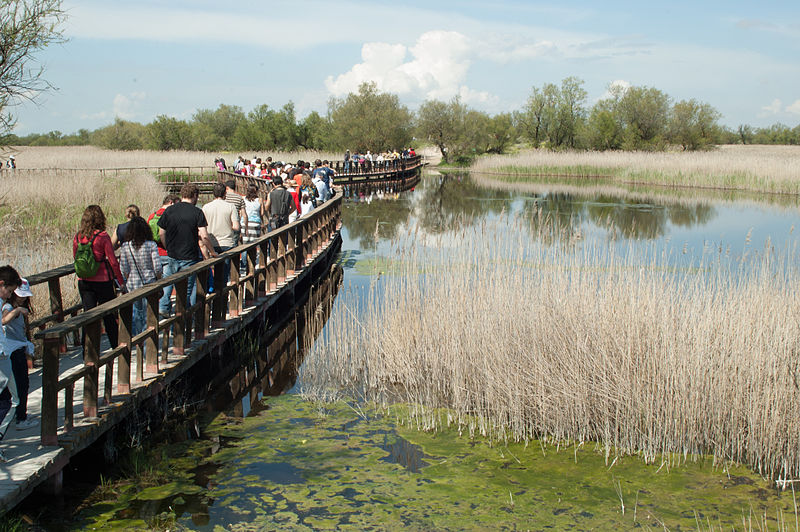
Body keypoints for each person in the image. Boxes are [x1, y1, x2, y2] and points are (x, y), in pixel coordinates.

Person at [157, 183, 217, 317]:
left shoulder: (169, 210)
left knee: (169, 283)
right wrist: (212, 252)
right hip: (189, 257)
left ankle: (163, 306)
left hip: (172, 255)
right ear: (195, 195)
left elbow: (161, 232)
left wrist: (168, 247)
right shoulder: (197, 212)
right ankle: (178, 326)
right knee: (185, 292)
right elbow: (204, 236)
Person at [73, 205, 125, 349]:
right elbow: (113, 262)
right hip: (103, 280)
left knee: (88, 315)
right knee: (109, 315)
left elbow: (75, 258)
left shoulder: (78, 237)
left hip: (84, 281)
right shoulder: (102, 236)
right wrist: (121, 282)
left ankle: (87, 349)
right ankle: (116, 346)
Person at [0, 278, 36, 431]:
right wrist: (17, 311)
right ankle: (20, 418)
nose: (22, 298)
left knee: (21, 386)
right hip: (12, 352)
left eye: (24, 295)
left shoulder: (18, 306)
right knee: (19, 387)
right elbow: (3, 320)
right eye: (18, 294)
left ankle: (20, 415)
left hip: (18, 350)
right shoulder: (8, 306)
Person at [120, 217, 162, 340]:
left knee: (137, 313)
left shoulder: (125, 246)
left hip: (132, 284)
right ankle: (148, 340)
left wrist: (128, 279)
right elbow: (158, 268)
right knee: (149, 313)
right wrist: (158, 278)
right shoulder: (151, 245)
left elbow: (124, 269)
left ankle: (139, 339)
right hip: (149, 284)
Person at [0, 265, 21, 462]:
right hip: (1, 359)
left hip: (4, 356)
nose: (9, 296)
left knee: (11, 400)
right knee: (13, 401)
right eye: (9, 291)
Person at [147, 194, 179, 318]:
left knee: (155, 282)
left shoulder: (152, 216)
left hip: (154, 253)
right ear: (171, 202)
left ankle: (153, 309)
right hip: (167, 253)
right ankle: (164, 307)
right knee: (168, 281)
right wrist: (169, 247)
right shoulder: (171, 215)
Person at [202, 182, 239, 287]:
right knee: (224, 273)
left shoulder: (206, 207)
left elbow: (202, 228)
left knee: (211, 271)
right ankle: (222, 298)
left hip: (211, 243)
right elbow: (236, 226)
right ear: (225, 194)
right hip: (227, 242)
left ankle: (212, 293)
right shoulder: (231, 206)